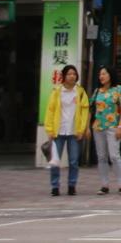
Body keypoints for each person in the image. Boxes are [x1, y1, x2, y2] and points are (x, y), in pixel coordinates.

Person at [44, 64, 89, 197]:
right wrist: (49, 129)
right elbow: (50, 110)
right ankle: (55, 186)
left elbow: (85, 111)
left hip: (74, 132)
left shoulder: (80, 92)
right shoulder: (57, 92)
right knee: (55, 161)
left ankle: (72, 186)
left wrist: (81, 129)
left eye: (74, 74)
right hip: (58, 131)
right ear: (64, 76)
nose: (72, 76)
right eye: (69, 74)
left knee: (74, 161)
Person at [91, 65, 121, 195]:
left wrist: (120, 126)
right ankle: (104, 185)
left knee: (114, 156)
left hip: (113, 126)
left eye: (104, 74)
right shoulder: (97, 91)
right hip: (98, 127)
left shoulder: (119, 89)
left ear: (110, 75)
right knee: (101, 157)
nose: (101, 76)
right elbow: (90, 108)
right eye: (100, 74)